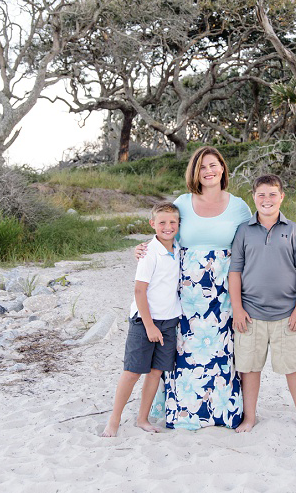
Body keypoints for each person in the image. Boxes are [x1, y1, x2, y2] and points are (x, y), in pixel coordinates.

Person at [135, 146, 251, 429]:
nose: (208, 171)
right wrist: (142, 248)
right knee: (185, 349)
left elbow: (258, 234)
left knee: (223, 349)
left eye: (213, 165)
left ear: (223, 168)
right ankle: (184, 412)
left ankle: (222, 412)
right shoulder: (183, 203)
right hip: (186, 291)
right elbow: (165, 233)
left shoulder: (238, 206)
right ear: (195, 173)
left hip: (223, 291)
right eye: (202, 167)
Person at [229, 174, 296, 434]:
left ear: (282, 197)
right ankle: (249, 417)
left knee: (293, 367)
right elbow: (235, 271)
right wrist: (237, 308)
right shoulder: (244, 231)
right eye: (261, 195)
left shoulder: (293, 231)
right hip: (250, 314)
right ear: (253, 197)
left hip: (286, 315)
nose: (266, 199)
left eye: (272, 194)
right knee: (249, 368)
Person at [101, 202, 182, 436]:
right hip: (144, 321)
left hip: (169, 321)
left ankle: (142, 418)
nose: (168, 227)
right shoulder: (149, 252)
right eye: (162, 222)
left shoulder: (177, 249)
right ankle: (113, 421)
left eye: (173, 222)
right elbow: (139, 291)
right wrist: (149, 326)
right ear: (152, 224)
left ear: (178, 225)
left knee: (156, 372)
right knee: (133, 371)